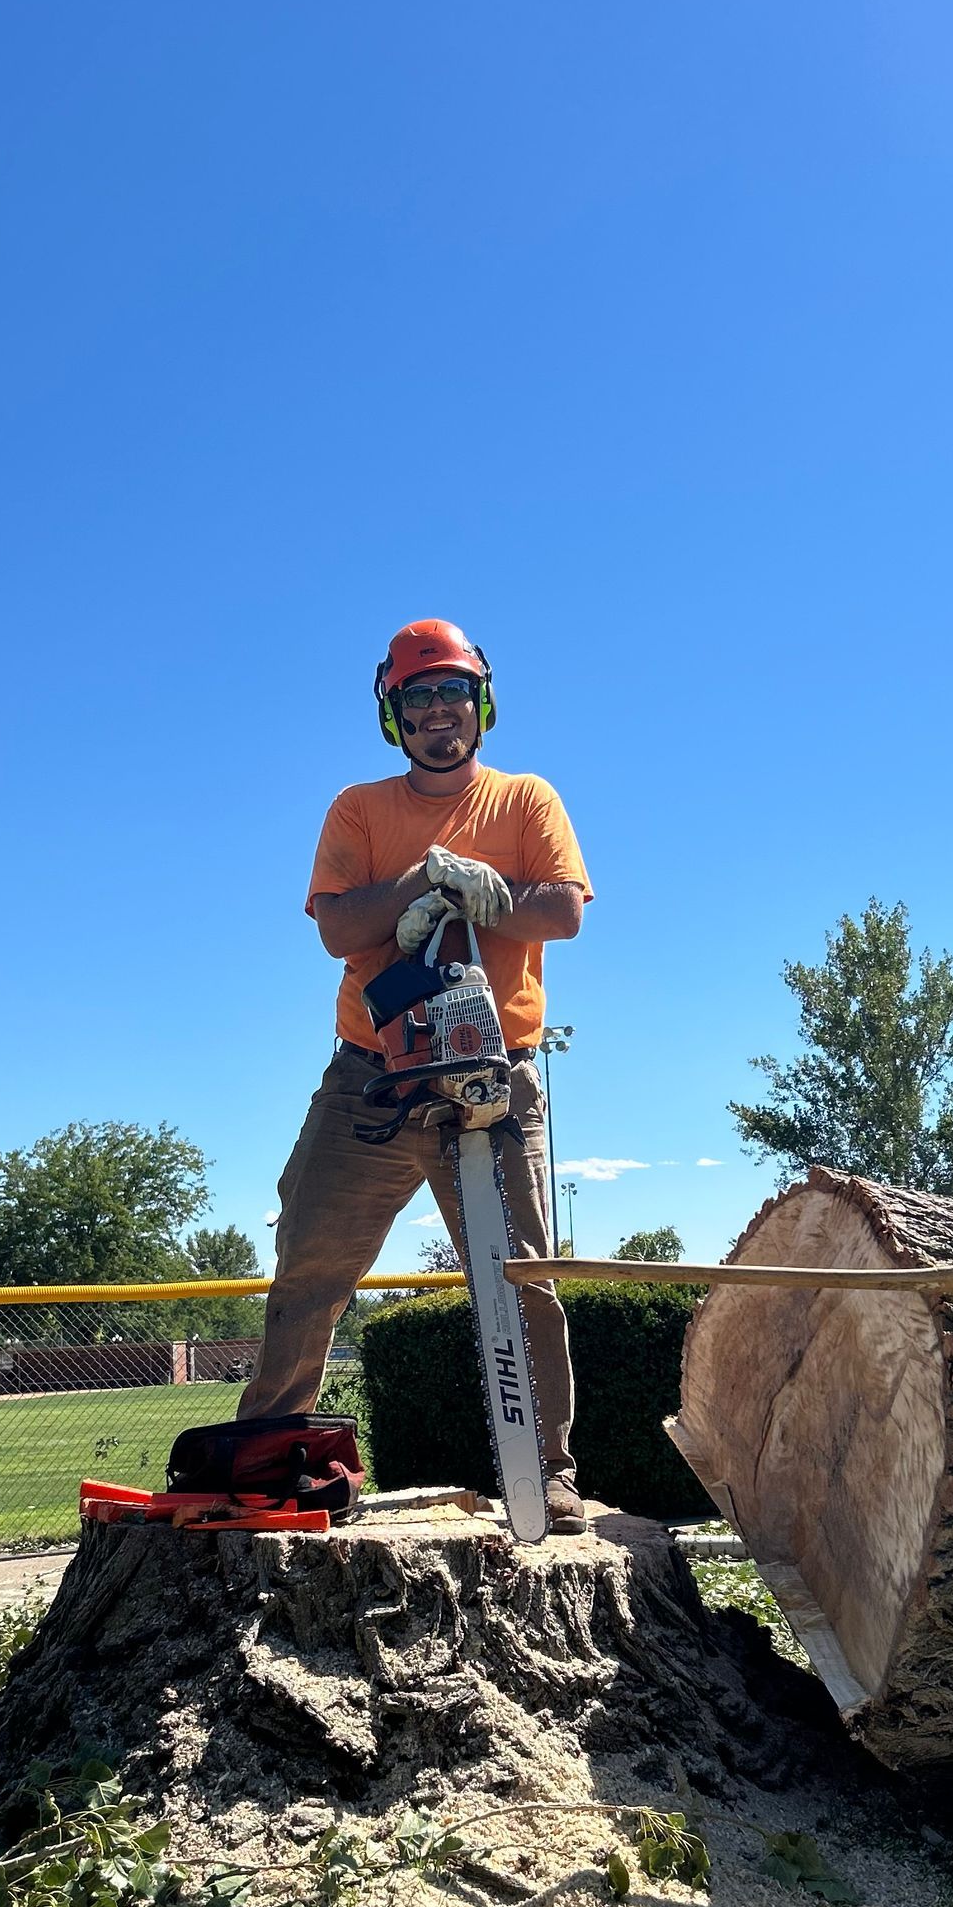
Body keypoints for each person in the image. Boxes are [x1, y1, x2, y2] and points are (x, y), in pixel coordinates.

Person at [239, 618, 592, 1531]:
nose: (440, 712)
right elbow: (336, 932)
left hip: (491, 1074)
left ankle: (550, 1472)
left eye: (452, 694)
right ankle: (265, 1459)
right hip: (372, 1077)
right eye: (419, 697)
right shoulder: (358, 809)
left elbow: (563, 912)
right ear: (394, 714)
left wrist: (489, 894)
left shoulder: (526, 801)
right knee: (311, 1261)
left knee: (525, 1277)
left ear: (482, 704)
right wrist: (416, 888)